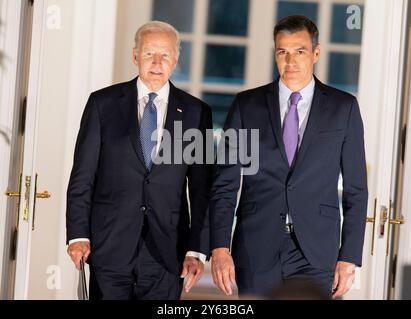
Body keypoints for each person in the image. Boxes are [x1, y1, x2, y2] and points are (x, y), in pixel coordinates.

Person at [210, 15, 368, 299]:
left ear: (316, 53)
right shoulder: (246, 105)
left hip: (317, 250)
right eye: (282, 51)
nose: (290, 60)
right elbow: (225, 183)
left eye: (300, 51)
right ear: (275, 54)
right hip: (256, 246)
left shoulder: (343, 108)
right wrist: (220, 247)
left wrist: (349, 256)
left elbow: (356, 189)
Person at [66, 21, 212, 300]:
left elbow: (201, 189)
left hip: (169, 252)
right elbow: (82, 177)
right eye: (149, 54)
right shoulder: (102, 104)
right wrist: (77, 235)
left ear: (176, 59)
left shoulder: (196, 113)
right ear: (135, 56)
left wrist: (196, 249)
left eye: (165, 55)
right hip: (109, 247)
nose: (157, 63)